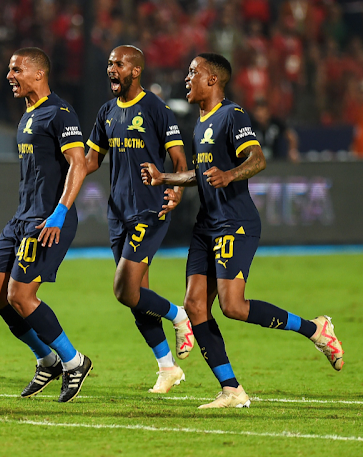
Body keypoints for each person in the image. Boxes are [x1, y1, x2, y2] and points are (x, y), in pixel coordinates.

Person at [141, 53, 344, 409]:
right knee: (194, 305)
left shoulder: (232, 116)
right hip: (206, 225)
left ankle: (314, 329)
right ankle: (231, 389)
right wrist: (165, 177)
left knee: (233, 306)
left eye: (193, 73)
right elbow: (200, 174)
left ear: (213, 80)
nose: (187, 79)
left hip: (235, 223)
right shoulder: (200, 122)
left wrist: (231, 174)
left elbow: (258, 159)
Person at [85, 45, 195, 395]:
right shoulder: (106, 112)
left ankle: (179, 315)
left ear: (135, 71)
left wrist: (175, 191)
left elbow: (179, 161)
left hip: (149, 210)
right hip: (117, 213)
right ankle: (167, 367)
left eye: (118, 64)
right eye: (108, 64)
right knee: (137, 295)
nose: (111, 69)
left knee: (124, 290)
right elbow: (89, 161)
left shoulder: (156, 109)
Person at [0, 47, 92, 403]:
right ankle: (46, 358)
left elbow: (78, 163)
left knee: (21, 295)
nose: (9, 76)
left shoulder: (60, 113)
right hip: (21, 218)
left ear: (37, 73)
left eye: (16, 69)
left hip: (48, 219)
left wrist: (60, 212)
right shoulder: (27, 116)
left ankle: (74, 361)